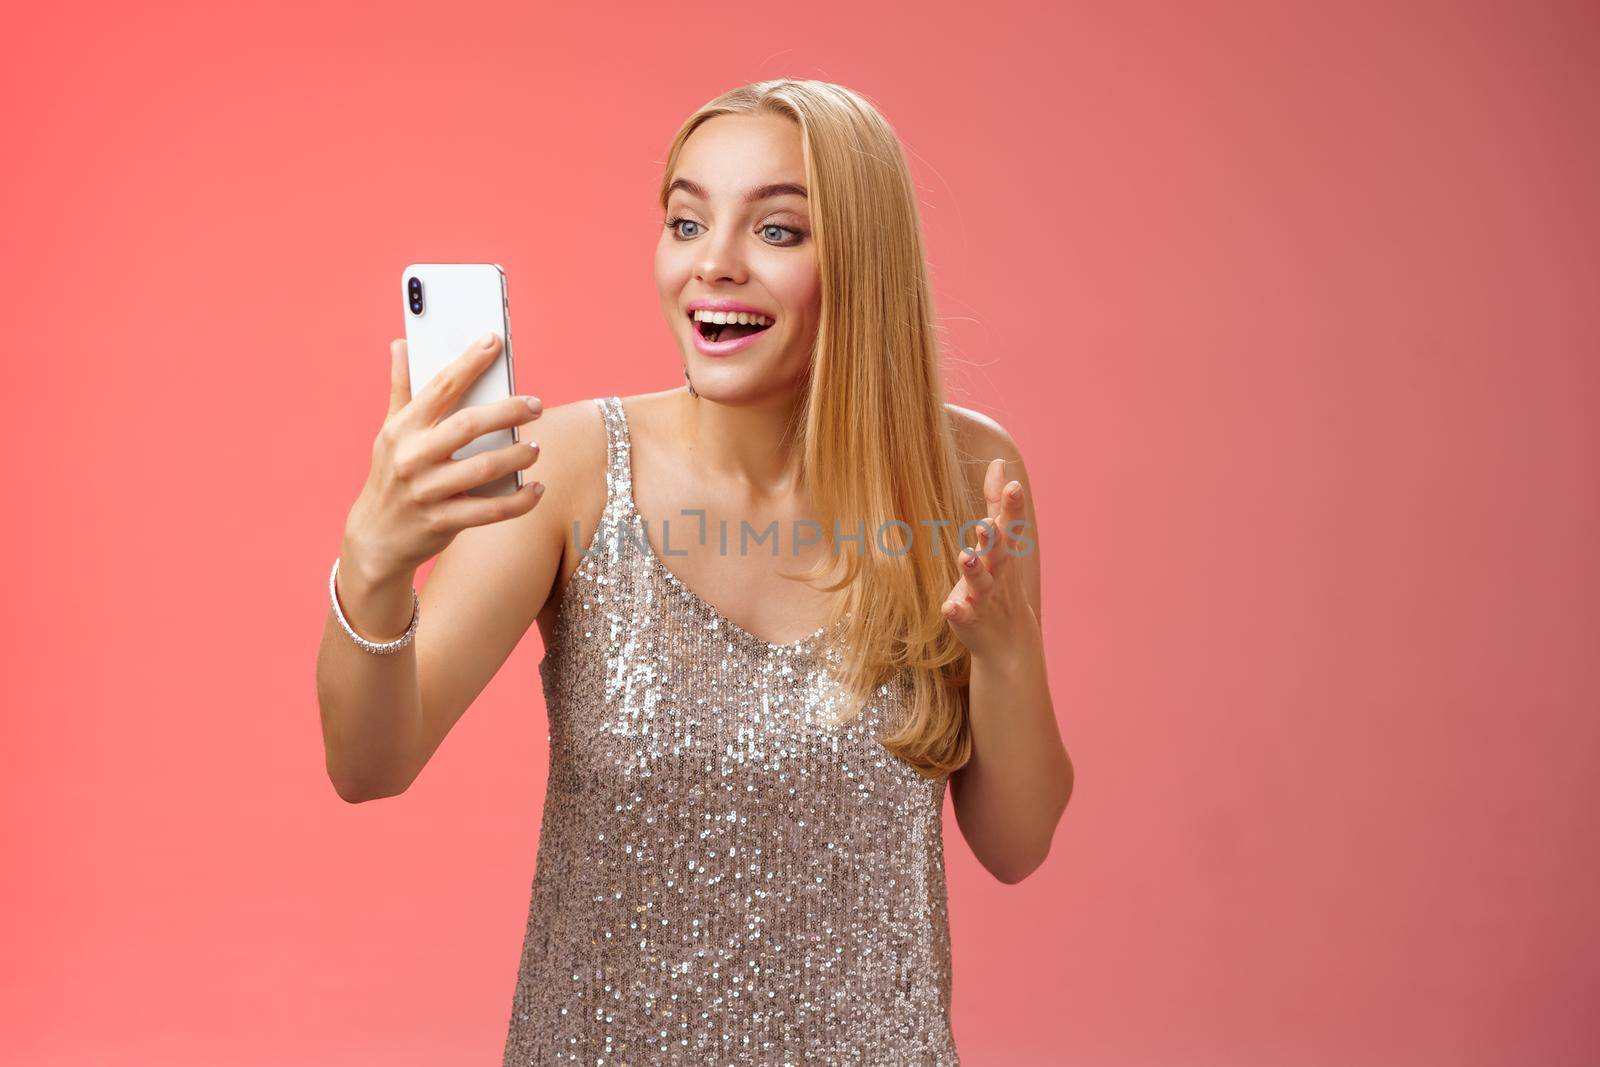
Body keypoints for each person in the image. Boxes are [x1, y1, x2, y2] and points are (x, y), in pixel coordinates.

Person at [316, 77, 1074, 1065]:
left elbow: (1015, 846)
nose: (712, 264)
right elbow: (368, 764)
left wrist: (1007, 656)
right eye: (685, 219)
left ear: (865, 259)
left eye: (777, 232)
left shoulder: (968, 478)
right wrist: (374, 561)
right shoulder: (570, 471)